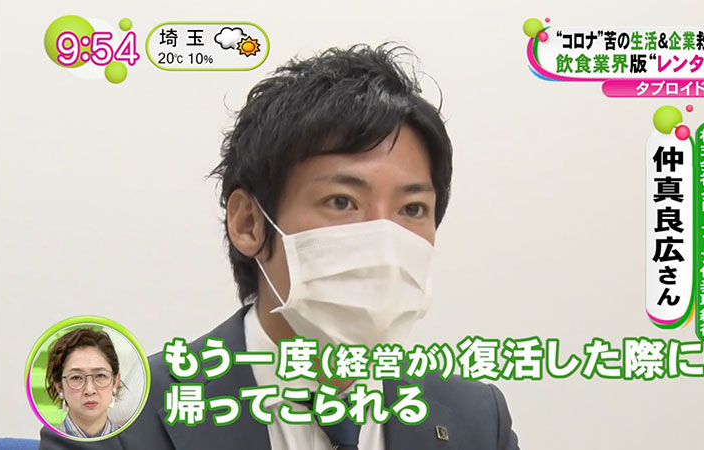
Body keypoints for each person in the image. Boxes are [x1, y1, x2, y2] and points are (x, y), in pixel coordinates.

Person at [40, 43, 520, 449]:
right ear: (249, 223)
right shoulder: (113, 422)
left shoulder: (478, 420)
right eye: (342, 201)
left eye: (412, 209)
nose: (385, 240)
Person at [44, 328, 122, 439]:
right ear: (59, 386)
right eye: (76, 378)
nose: (89, 390)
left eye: (100, 376)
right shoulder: (49, 441)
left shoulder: (132, 442)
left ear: (115, 381)